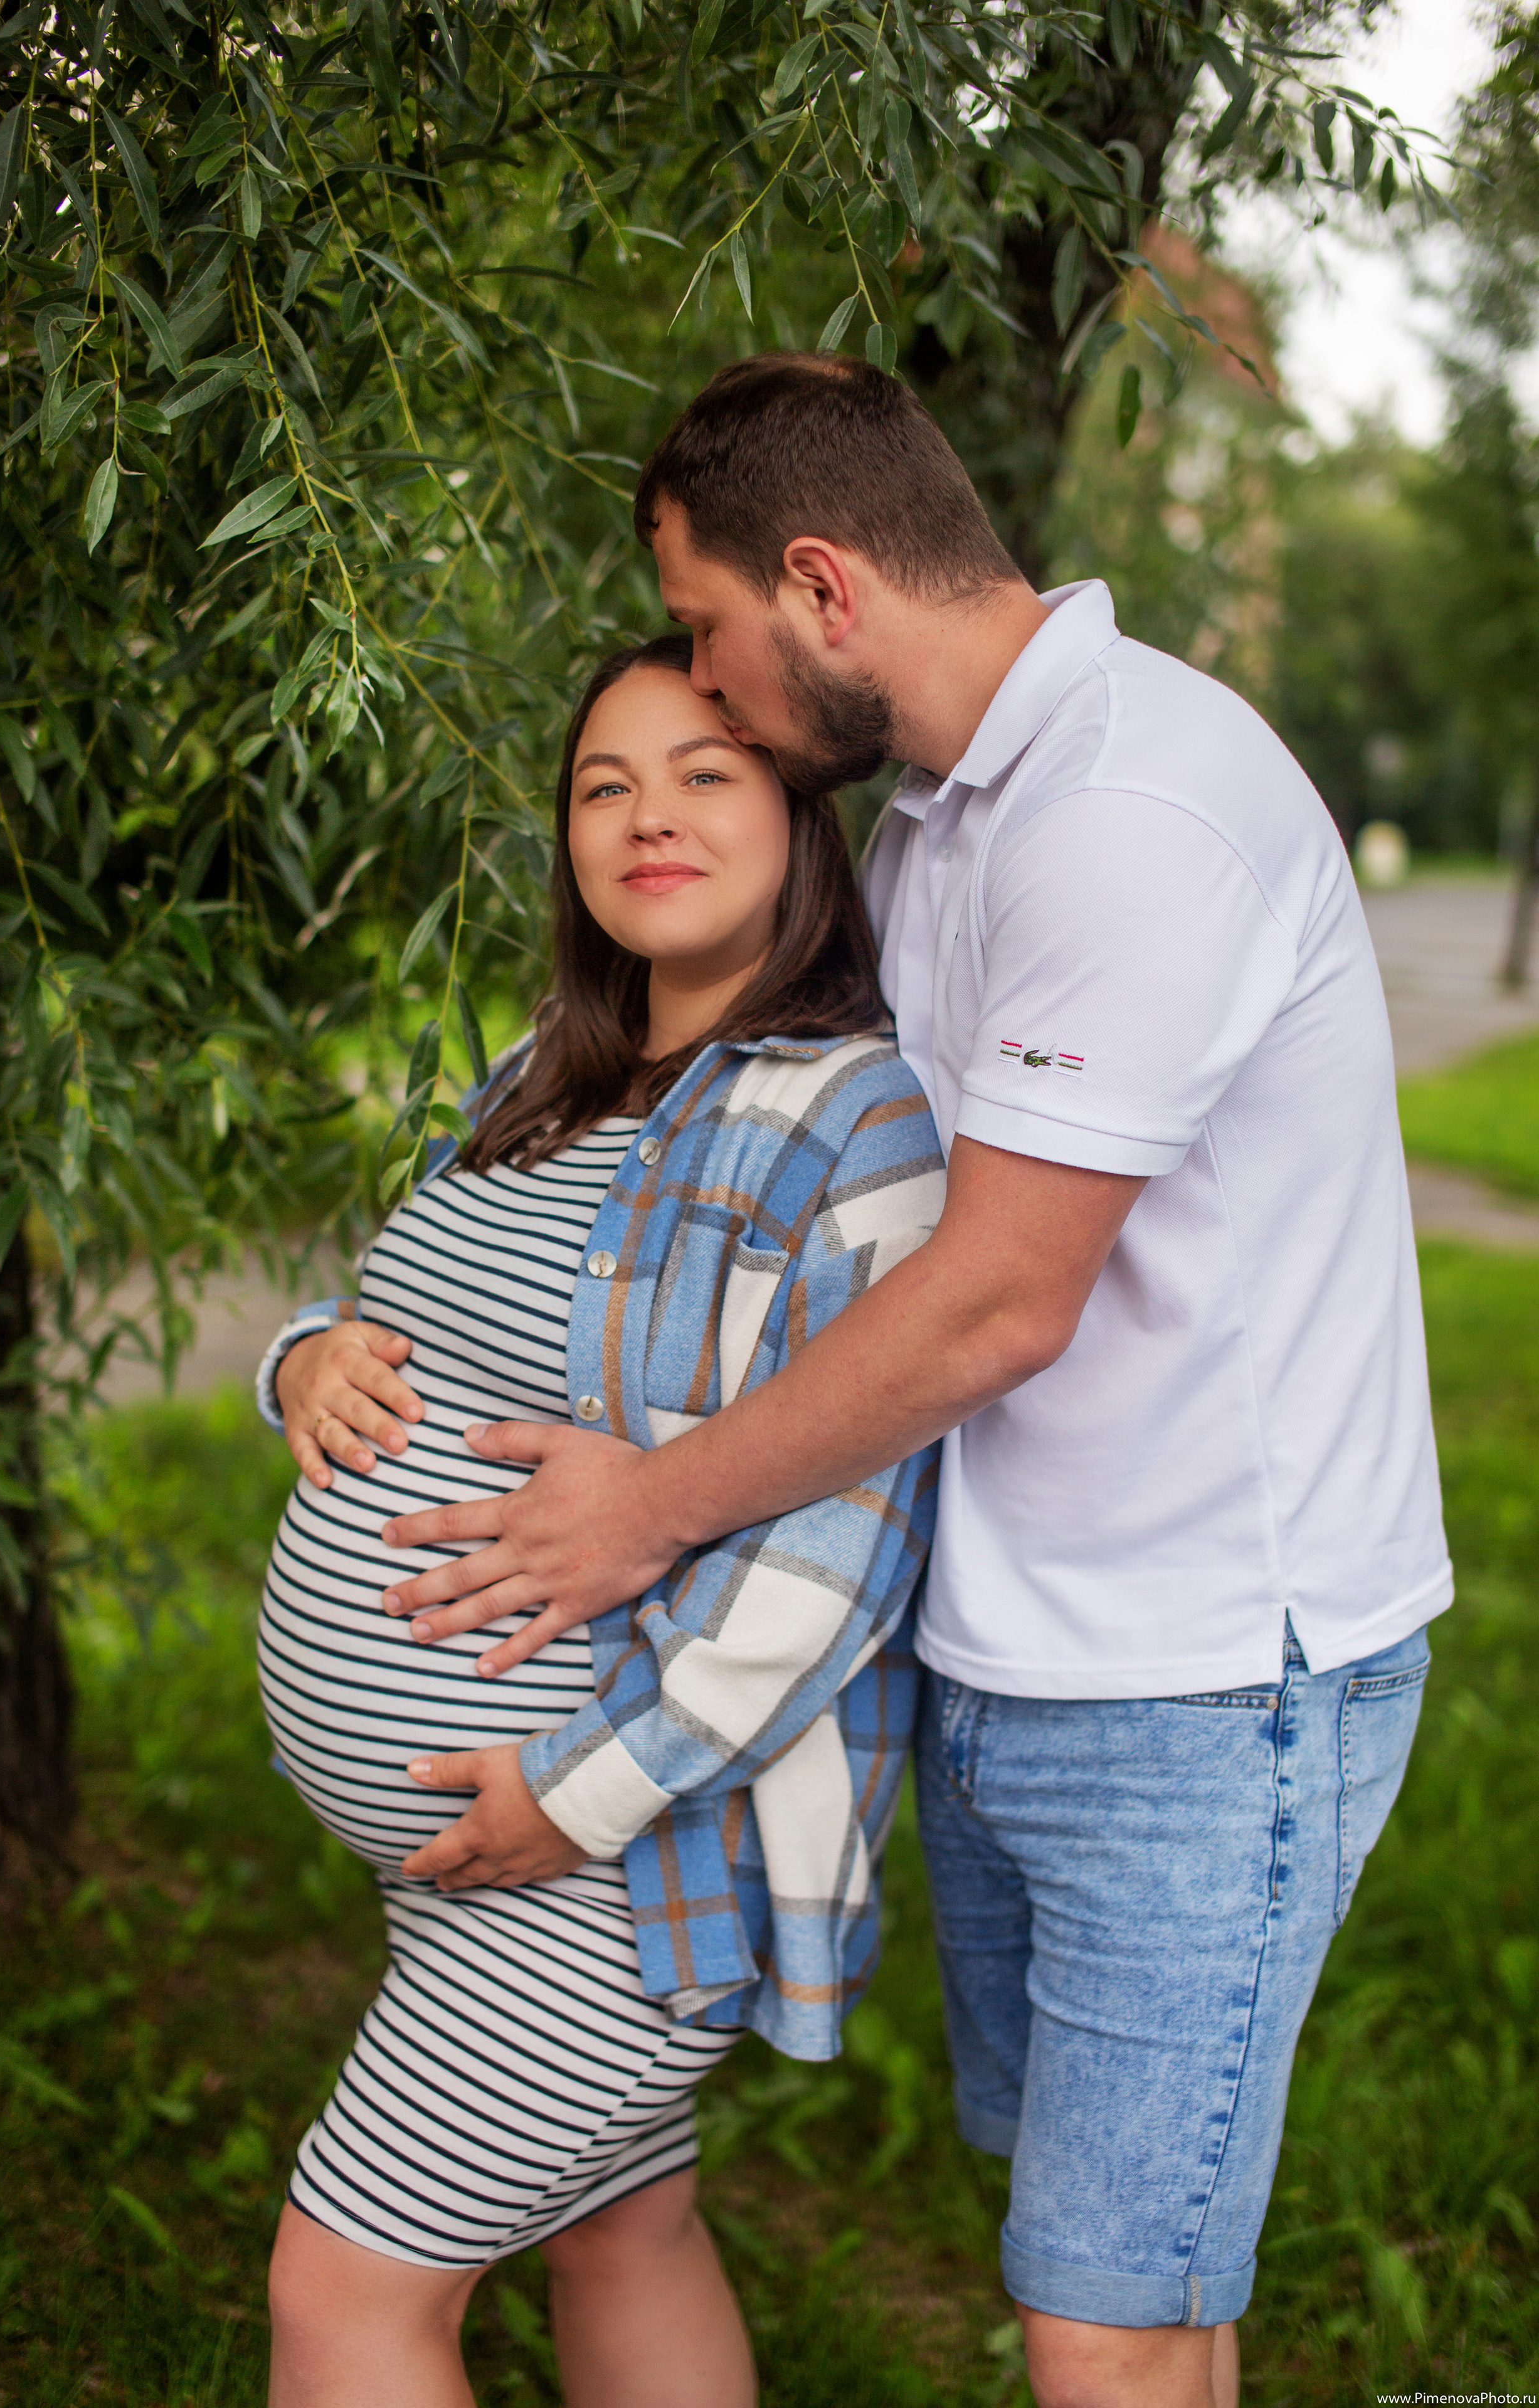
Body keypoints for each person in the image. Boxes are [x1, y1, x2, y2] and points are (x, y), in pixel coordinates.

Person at [362, 357, 1452, 2408]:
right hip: (1021, 1650)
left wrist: (647, 1508)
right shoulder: (961, 814)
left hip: (1207, 1674)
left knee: (1104, 2323)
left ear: (819, 586)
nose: (707, 686)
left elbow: (992, 1306)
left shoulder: (1138, 808)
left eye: (706, 632)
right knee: (1136, 2282)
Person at [252, 628, 945, 2408]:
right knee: (622, 2228)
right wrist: (301, 1362)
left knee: (345, 2293)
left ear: (798, 816)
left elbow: (844, 1544)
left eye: (704, 774)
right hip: (499, 1856)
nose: (647, 817)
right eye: (603, 784)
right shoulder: (538, 1075)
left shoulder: (847, 1119)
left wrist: (582, 1793)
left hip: (606, 1858)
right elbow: (387, 1324)